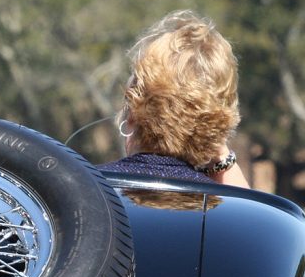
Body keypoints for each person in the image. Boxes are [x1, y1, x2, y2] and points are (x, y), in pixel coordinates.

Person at [97, 11, 250, 187]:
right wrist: (219, 153)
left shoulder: (87, 191)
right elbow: (253, 210)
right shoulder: (227, 209)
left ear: (132, 113)